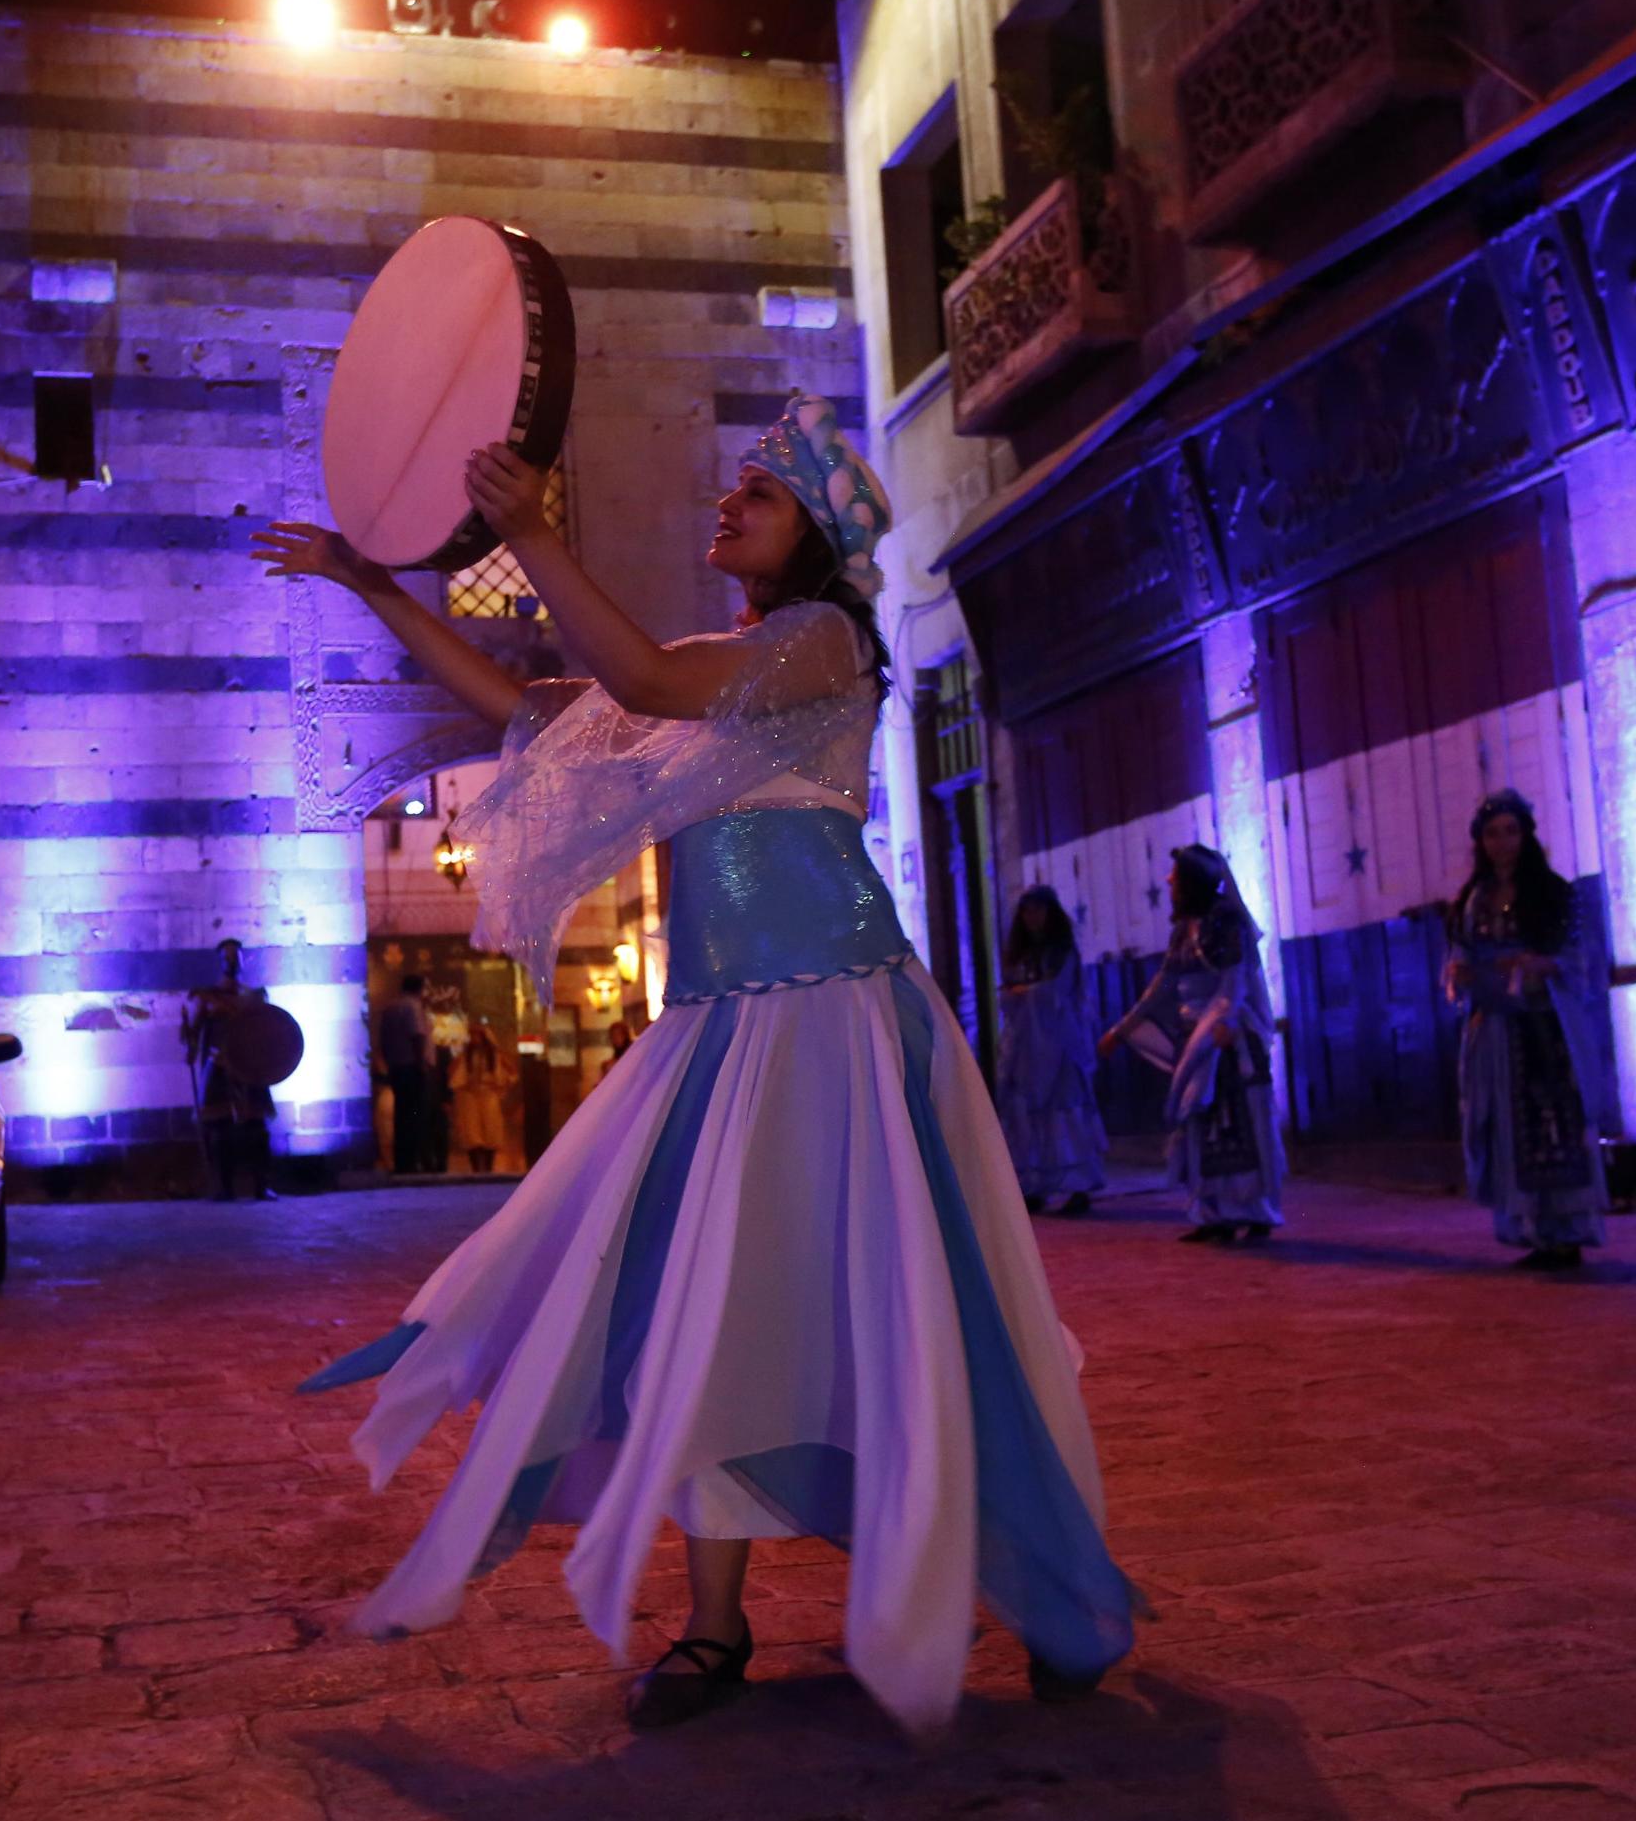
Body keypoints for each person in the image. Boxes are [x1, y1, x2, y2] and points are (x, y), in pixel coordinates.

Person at [264, 392, 1129, 1736]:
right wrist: (375, 582)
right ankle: (713, 1626)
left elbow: (645, 684)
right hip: (724, 1031)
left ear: (819, 536)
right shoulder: (720, 672)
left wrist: (535, 536)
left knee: (909, 1311)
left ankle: (1038, 1585)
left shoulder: (823, 646)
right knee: (698, 1309)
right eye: (734, 487)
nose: (730, 505)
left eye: (760, 493)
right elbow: (521, 703)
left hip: (837, 1022)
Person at [1442, 790, 1618, 1271]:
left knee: (1552, 1125)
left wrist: (1542, 964)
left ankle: (1567, 1232)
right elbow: (1458, 956)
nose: (1503, 842)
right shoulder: (1471, 901)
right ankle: (1534, 1232)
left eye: (1511, 831)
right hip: (1497, 1032)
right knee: (1506, 1128)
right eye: (1493, 833)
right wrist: (1461, 976)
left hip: (1545, 1030)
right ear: (1480, 841)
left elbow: (1582, 960)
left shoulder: (1553, 894)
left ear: (1526, 836)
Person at [1102, 845, 1287, 1246]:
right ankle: (1212, 1213)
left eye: (1176, 876)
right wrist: (1122, 1029)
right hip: (1196, 1037)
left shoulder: (1227, 923)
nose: (1168, 882)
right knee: (1200, 1126)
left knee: (1242, 1125)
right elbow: (1163, 987)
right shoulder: (1183, 931)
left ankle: (1255, 1211)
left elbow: (1235, 981)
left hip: (1228, 1036)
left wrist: (1226, 1022)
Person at [994, 886, 1104, 1216]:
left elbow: (1056, 994)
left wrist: (1024, 993)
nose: (1032, 918)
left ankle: (1079, 1185)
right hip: (1026, 1047)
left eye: (1038, 911)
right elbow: (1008, 996)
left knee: (1065, 1115)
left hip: (1058, 1044)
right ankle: (1034, 1185)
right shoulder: (1021, 955)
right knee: (1026, 1116)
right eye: (1027, 912)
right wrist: (1017, 995)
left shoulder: (1063, 952)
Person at [181, 937, 279, 1200]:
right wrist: (188, 1036)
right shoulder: (208, 998)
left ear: (244, 960)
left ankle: (261, 1185)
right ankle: (223, 1187)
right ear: (220, 961)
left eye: (236, 956)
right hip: (220, 1068)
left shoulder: (253, 997)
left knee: (257, 1130)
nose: (232, 961)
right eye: (227, 957)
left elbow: (267, 1030)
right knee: (220, 1131)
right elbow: (194, 1033)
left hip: (250, 1067)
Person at [376, 973, 435, 1173]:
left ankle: (402, 1162)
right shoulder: (413, 1006)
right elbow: (417, 1036)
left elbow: (383, 1040)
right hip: (411, 1067)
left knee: (402, 1116)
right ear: (419, 988)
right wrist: (421, 1065)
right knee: (416, 1116)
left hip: (396, 1067)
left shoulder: (390, 1007)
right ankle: (414, 1162)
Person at [448, 1019, 517, 1174]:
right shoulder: (466, 1055)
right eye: (472, 1034)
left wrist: (500, 1085)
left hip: (488, 1095)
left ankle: (488, 1168)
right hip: (469, 1096)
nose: (474, 1038)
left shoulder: (495, 1055)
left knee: (490, 1130)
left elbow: (511, 1072)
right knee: (472, 1132)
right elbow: (455, 1074)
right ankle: (476, 1169)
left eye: (477, 1034)